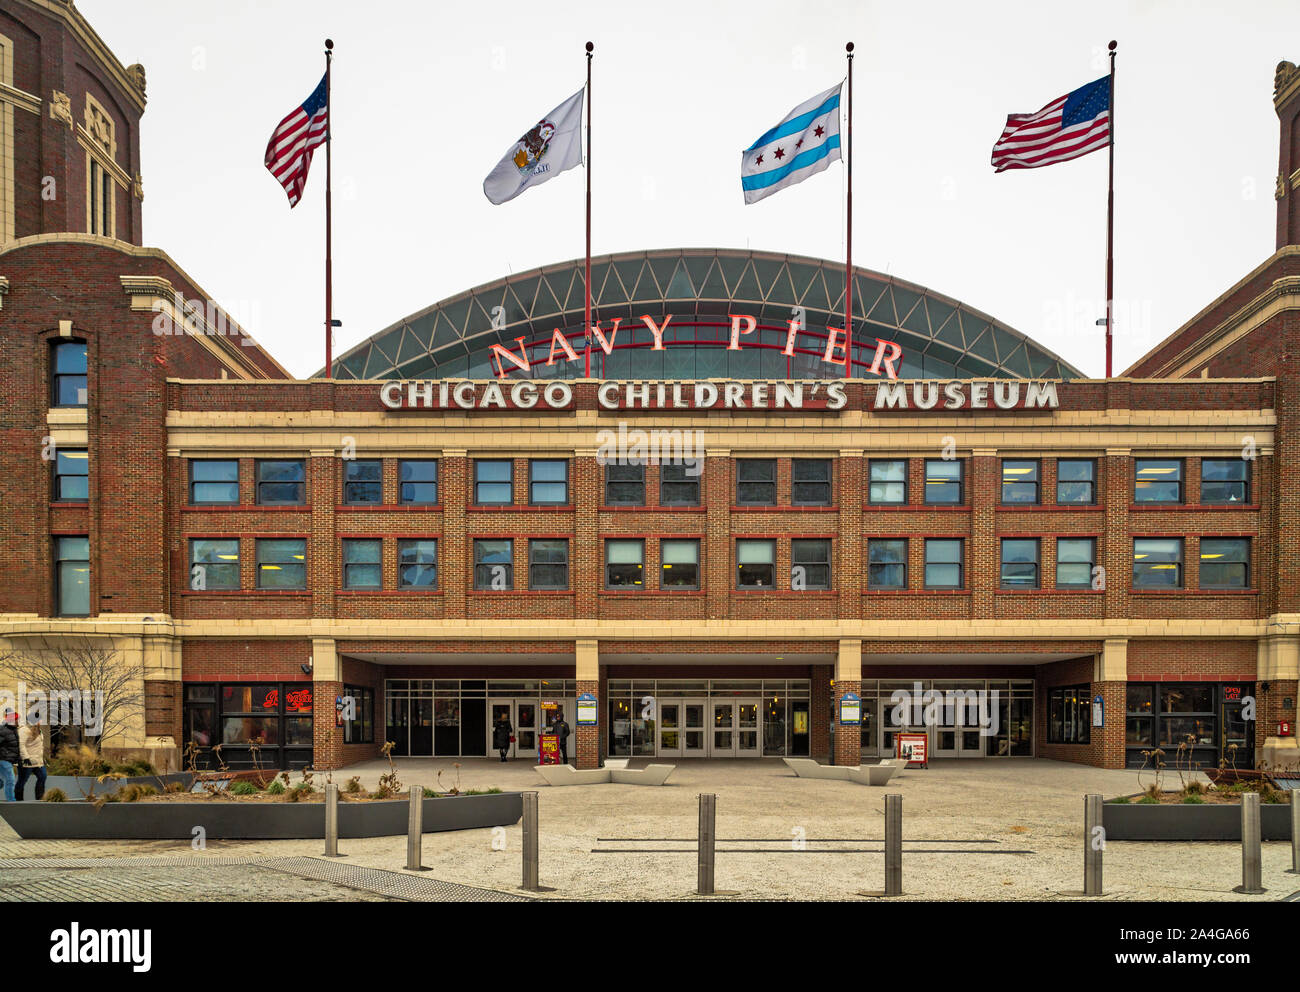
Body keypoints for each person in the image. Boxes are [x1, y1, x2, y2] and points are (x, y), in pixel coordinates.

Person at [17, 720, 46, 801]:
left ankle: (40, 799)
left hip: (38, 762)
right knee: (22, 781)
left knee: (43, 776)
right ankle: (18, 801)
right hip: (27, 761)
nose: (40, 721)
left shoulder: (38, 730)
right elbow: (21, 744)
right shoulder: (24, 730)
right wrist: (25, 757)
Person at [0, 710, 19, 802]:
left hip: (9, 759)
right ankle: (11, 801)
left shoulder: (14, 730)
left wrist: (18, 758)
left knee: (2, 782)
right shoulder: (3, 729)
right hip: (4, 759)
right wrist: (4, 754)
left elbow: (15, 746)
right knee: (10, 780)